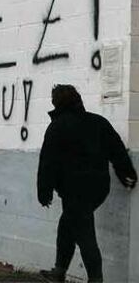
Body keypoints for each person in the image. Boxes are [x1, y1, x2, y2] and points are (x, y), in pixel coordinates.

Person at [37, 85, 137, 283]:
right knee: (67, 226)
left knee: (84, 234)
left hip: (74, 191)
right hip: (99, 188)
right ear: (78, 99)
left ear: (56, 103)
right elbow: (117, 150)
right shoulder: (98, 122)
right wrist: (127, 174)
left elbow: (47, 163)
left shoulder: (57, 127)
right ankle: (59, 271)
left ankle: (95, 279)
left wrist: (44, 192)